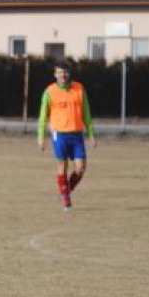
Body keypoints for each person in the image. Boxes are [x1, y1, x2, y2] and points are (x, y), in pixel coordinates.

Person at [37, 62, 95, 209]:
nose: (63, 75)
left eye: (66, 72)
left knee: (80, 168)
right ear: (55, 74)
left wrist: (91, 133)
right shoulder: (49, 92)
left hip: (77, 134)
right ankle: (66, 199)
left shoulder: (79, 89)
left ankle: (66, 190)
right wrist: (41, 137)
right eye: (60, 72)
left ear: (70, 73)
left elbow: (86, 113)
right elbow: (43, 117)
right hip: (59, 134)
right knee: (62, 165)